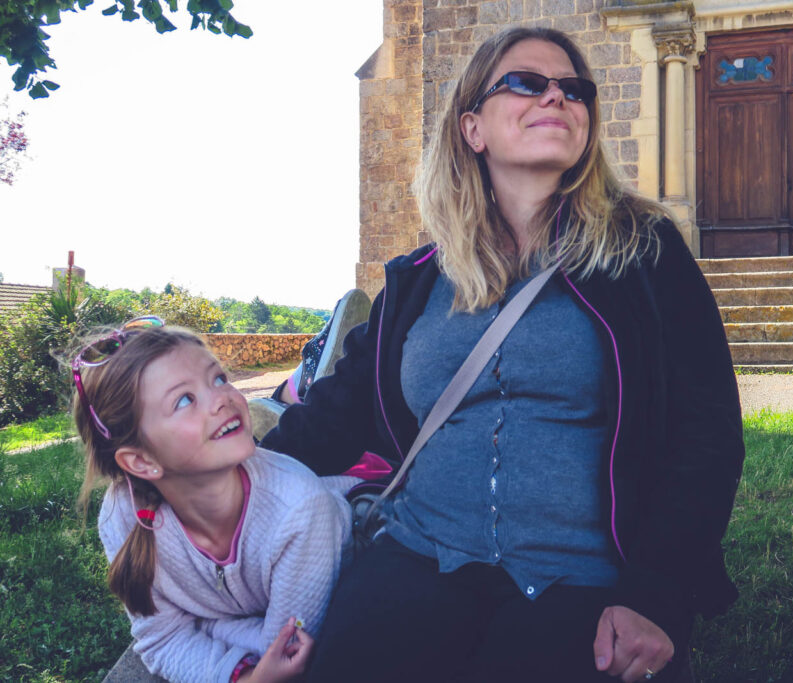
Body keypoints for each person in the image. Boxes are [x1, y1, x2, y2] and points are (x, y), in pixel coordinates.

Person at [261, 25, 745, 683]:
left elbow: (706, 433)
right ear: (472, 128)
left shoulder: (643, 253)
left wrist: (654, 594)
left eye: (574, 91)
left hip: (582, 576)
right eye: (526, 82)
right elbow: (331, 417)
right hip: (418, 553)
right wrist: (207, 472)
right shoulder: (418, 280)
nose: (557, 97)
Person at [71, 317, 359, 683]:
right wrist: (245, 678)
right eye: (185, 399)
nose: (222, 398)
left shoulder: (301, 511)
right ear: (142, 461)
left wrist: (204, 626)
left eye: (219, 378)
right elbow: (161, 642)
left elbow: (287, 653)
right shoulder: (122, 517)